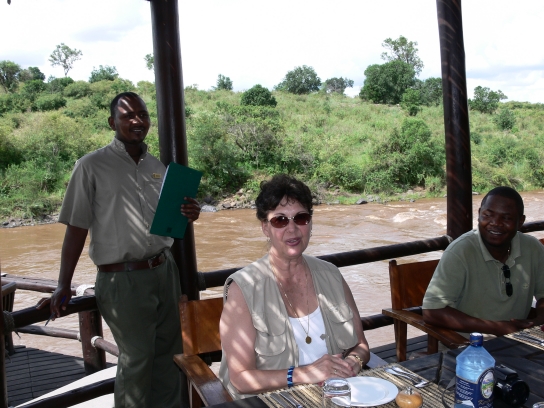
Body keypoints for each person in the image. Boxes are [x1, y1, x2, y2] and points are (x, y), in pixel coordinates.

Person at [40, 92, 201, 408]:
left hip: (164, 271)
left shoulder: (158, 167)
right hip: (122, 280)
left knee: (170, 356)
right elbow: (76, 229)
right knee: (137, 359)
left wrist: (188, 213)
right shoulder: (90, 166)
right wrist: (63, 284)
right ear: (112, 122)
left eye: (143, 114)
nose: (138, 121)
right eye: (128, 116)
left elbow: (167, 220)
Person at [218, 174, 369, 399]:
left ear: (310, 223)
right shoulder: (244, 289)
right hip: (273, 401)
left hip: (332, 395)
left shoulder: (331, 275)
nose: (292, 229)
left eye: (301, 218)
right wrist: (302, 374)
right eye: (280, 220)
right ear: (265, 228)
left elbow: (361, 345)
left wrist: (354, 362)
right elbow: (240, 379)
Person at [422, 186, 544, 336]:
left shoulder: (532, 248)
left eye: (506, 218)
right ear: (479, 214)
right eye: (487, 215)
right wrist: (497, 328)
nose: (495, 223)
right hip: (465, 344)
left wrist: (539, 321)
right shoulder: (460, 251)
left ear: (520, 222)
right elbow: (432, 311)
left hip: (517, 339)